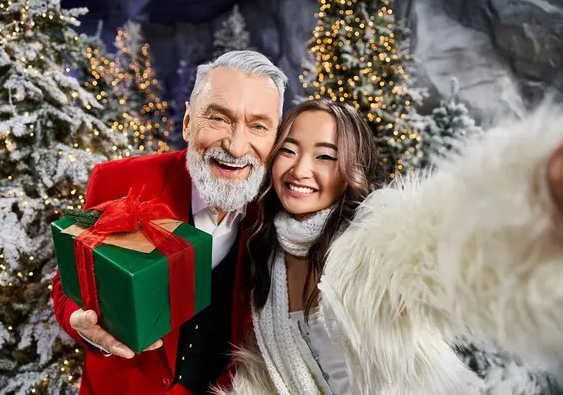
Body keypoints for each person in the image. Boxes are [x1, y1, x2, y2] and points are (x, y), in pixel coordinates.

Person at [216, 99, 563, 395]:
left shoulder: (374, 239)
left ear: (352, 168)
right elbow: (270, 374)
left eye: (325, 157)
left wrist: (536, 190)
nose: (300, 169)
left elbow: (458, 239)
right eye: (288, 151)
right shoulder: (270, 254)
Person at [51, 50, 288, 395]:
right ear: (189, 122)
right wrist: (79, 322)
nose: (237, 147)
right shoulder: (116, 179)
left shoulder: (278, 211)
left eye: (258, 126)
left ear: (276, 138)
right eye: (218, 119)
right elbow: (68, 280)